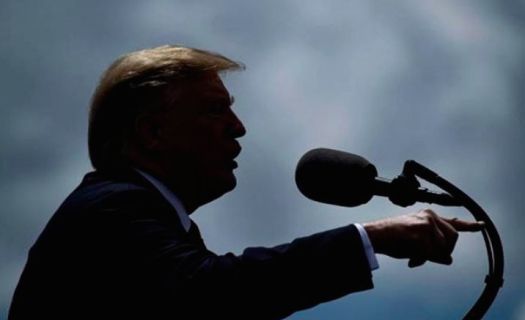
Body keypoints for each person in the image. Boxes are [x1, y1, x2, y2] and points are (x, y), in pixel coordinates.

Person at [8, 45, 484, 320]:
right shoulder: (113, 208)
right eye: (215, 110)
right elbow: (211, 296)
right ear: (151, 132)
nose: (239, 128)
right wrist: (371, 238)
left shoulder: (139, 218)